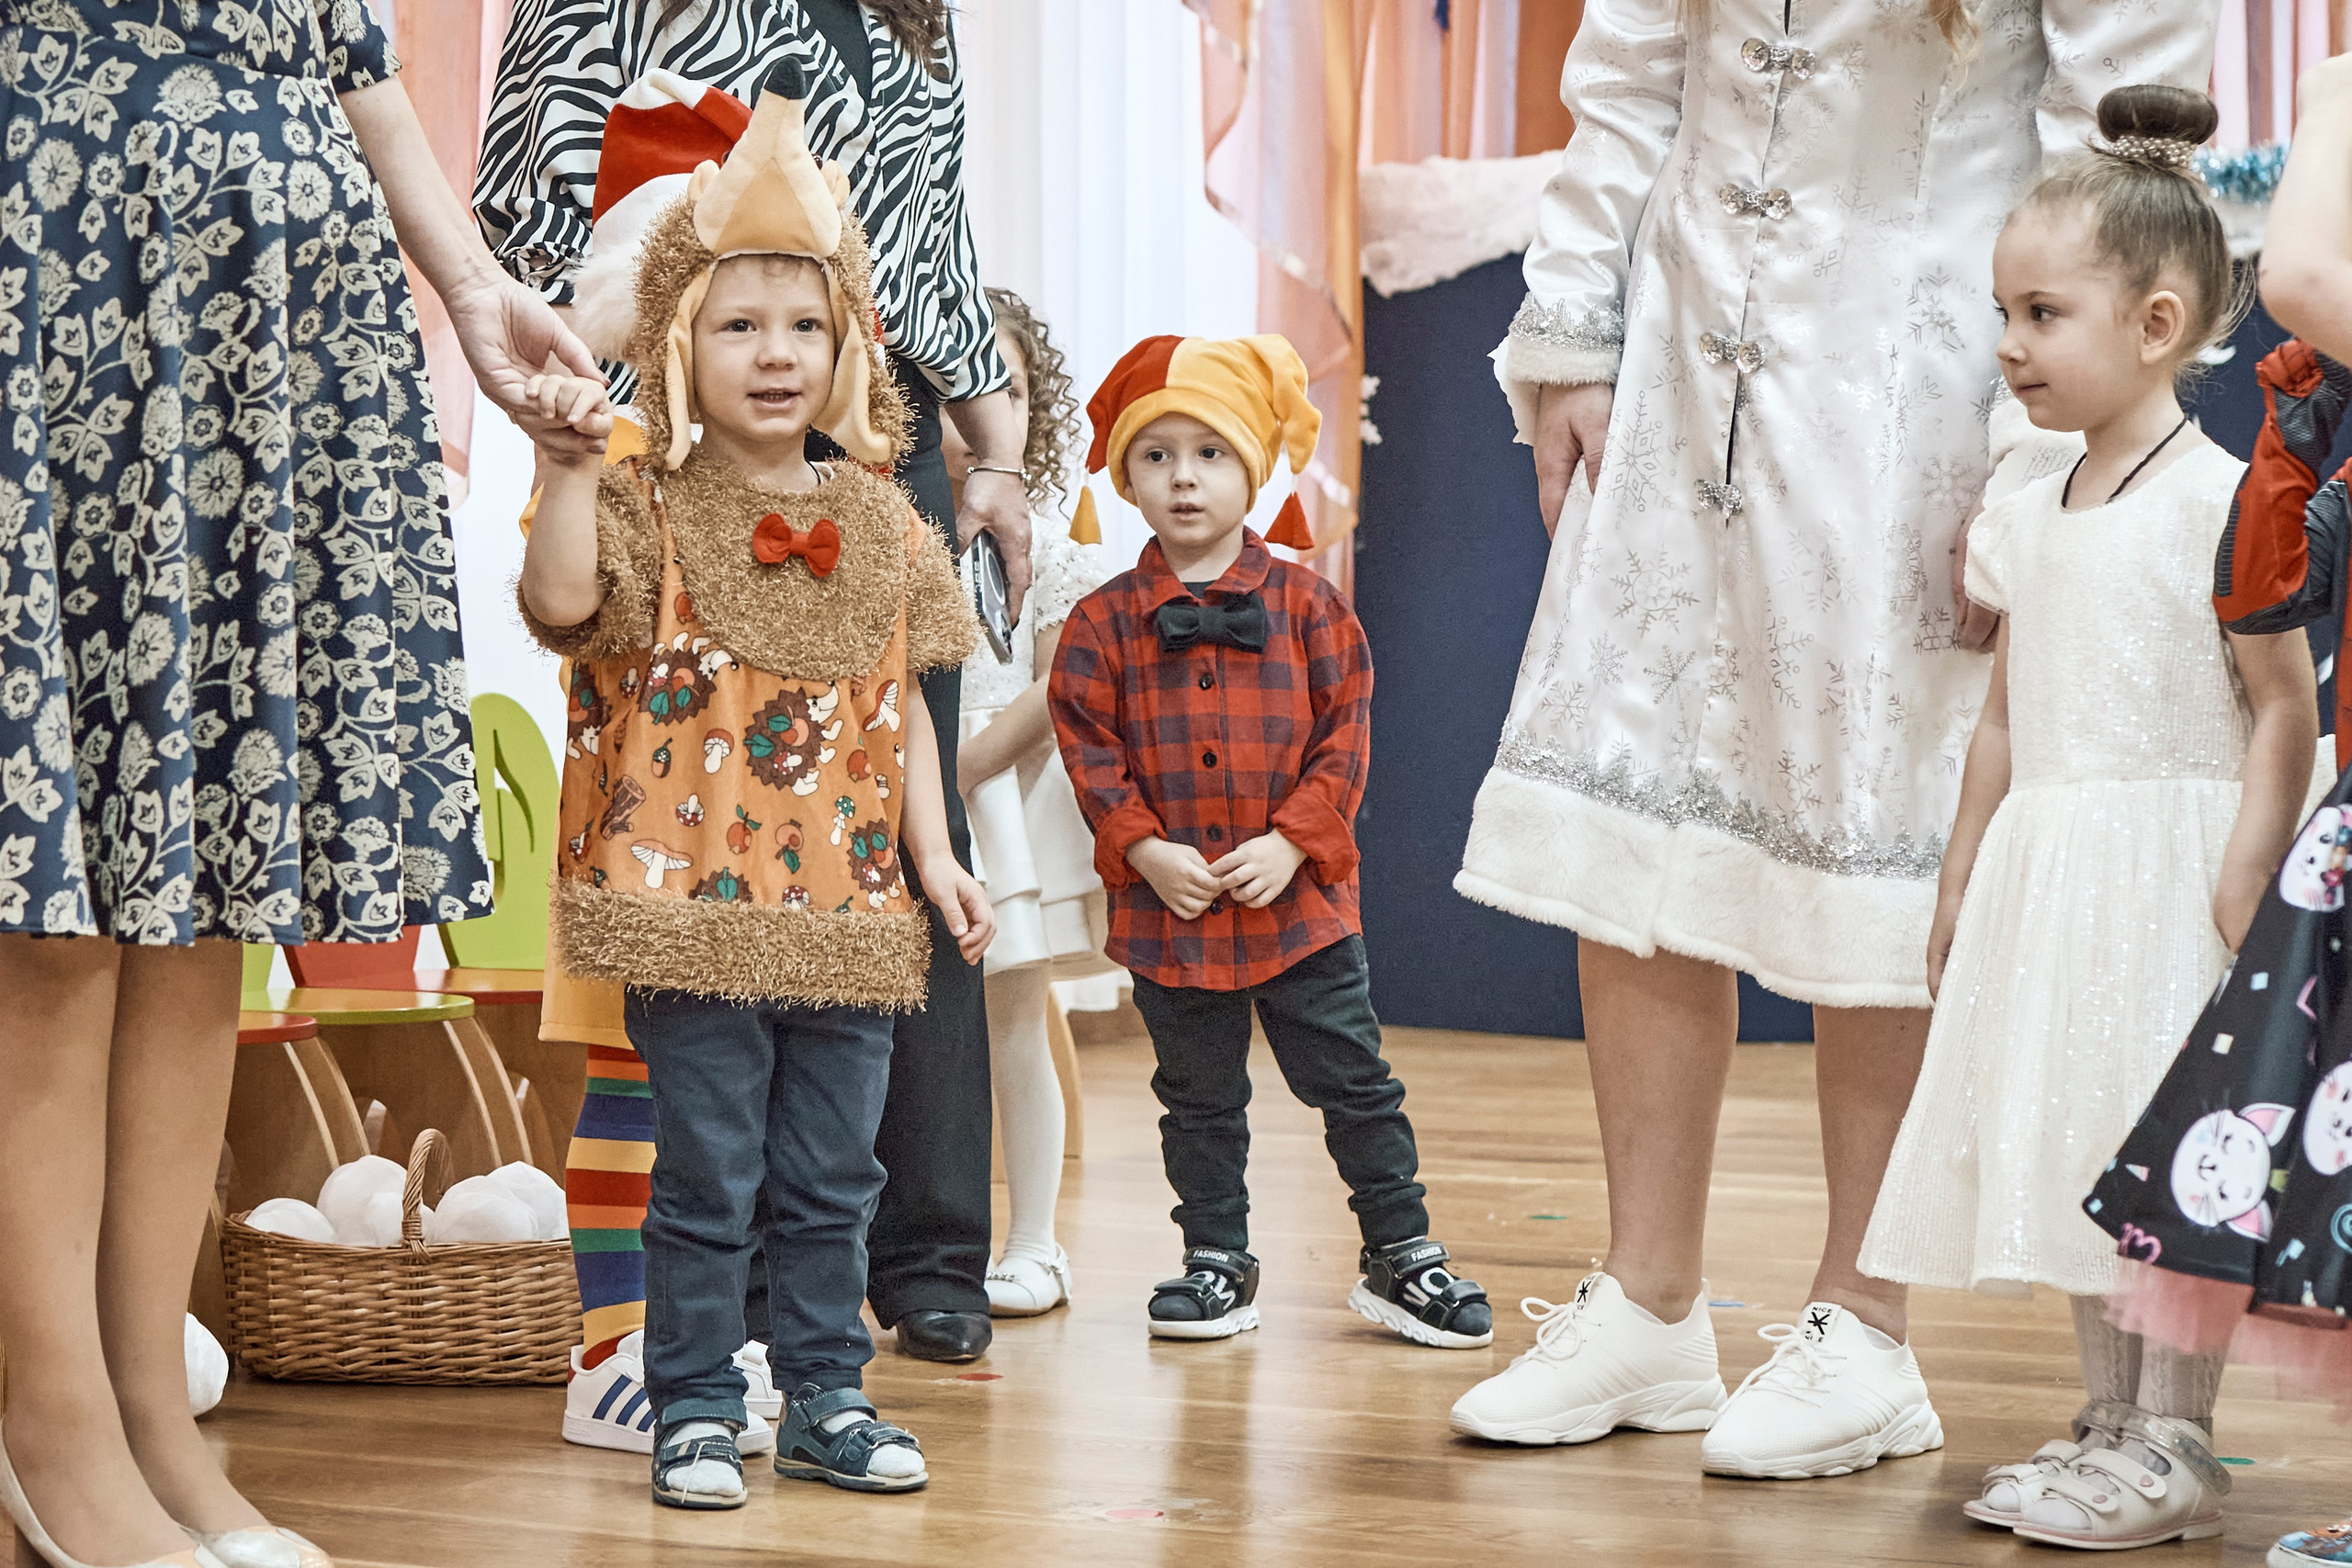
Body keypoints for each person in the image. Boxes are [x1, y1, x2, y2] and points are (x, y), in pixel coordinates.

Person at [1447, 0, 2220, 1475]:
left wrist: (2044, 456)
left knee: (1885, 826)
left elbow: (2125, 109)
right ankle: (1651, 1299)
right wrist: (1575, 330)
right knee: (1643, 800)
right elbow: (1628, 67)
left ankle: (1864, 1320)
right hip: (1686, 357)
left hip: (1934, 380)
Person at [0, 2, 599, 1565]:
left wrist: (469, 288)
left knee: (207, 885)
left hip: (283, 305)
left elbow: (351, 47)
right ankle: (48, 1421)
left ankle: (147, 1413)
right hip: (56, 243)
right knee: (51, 907)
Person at [478, 0, 1024, 1372]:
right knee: (691, 868)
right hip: (658, 438)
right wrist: (586, 426)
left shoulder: (911, 18)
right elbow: (522, 216)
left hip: (865, 427)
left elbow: (940, 242)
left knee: (894, 857)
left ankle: (923, 1255)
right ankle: (719, 1320)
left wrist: (995, 451)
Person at [1856, 85, 2318, 1551]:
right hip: (2055, 865)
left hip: (2175, 871)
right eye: (2005, 309)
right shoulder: (2037, 500)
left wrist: (2248, 861)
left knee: (2170, 1152)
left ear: (2160, 322)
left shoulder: (2229, 503)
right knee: (2080, 1140)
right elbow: (2006, 706)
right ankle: (2108, 1419)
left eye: (2043, 312)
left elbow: (2283, 704)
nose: (2011, 343)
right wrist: (1960, 865)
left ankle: (2176, 1434)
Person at [1047, 333, 1493, 1348]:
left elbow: (1346, 738)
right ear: (1127, 478)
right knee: (1196, 1098)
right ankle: (1215, 1258)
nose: (1183, 478)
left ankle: (1400, 1252)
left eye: (1208, 453)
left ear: (1251, 467)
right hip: (1173, 915)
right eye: (1155, 457)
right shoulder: (1100, 625)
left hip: (1300, 910)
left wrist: (1295, 842)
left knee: (1355, 1082)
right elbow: (1089, 751)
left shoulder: (1310, 609)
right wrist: (1144, 849)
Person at [950, 288, 1114, 1316]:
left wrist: (969, 770)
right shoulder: (897, 540)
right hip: (904, 804)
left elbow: (1060, 685)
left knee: (1015, 1018)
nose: (980, 416)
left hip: (995, 802)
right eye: (959, 395)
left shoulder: (1048, 552)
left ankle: (1036, 1241)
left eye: (1004, 391)